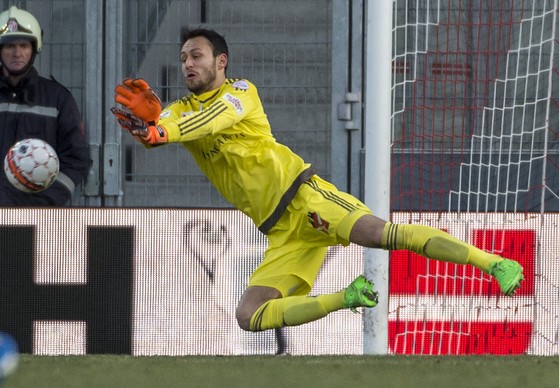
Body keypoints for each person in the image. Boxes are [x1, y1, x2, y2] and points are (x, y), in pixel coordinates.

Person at [112, 28, 524, 333]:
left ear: (221, 61)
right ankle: (345, 297)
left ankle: (495, 263)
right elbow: (162, 128)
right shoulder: (181, 109)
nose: (188, 63)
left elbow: (207, 120)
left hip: (304, 197)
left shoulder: (240, 92)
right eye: (183, 57)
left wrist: (160, 131)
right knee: (248, 316)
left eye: (197, 55)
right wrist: (148, 129)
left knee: (380, 233)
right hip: (280, 231)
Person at [0, 6, 89, 206]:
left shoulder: (58, 99)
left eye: (24, 45)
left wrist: (47, 202)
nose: (17, 53)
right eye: (9, 46)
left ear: (34, 48)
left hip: (37, 217)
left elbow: (76, 159)